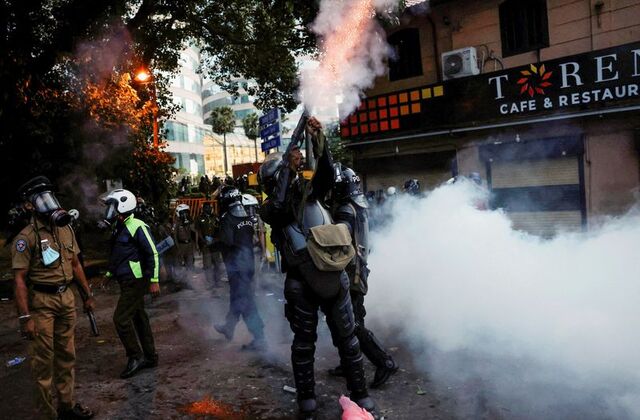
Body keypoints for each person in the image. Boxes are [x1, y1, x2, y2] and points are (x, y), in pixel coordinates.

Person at [259, 117, 377, 419]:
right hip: (303, 281)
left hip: (330, 275)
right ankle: (307, 402)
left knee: (348, 341)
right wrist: (287, 166)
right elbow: (282, 203)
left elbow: (325, 175)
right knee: (304, 346)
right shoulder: (272, 208)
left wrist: (318, 141)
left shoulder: (311, 193)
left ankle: (360, 395)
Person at [11, 176, 95, 420]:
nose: (48, 202)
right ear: (29, 205)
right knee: (43, 363)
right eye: (40, 198)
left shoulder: (65, 228)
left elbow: (76, 263)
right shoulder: (25, 238)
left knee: (67, 356)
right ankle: (48, 415)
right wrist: (25, 316)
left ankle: (67, 407)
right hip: (42, 303)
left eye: (49, 196)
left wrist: (87, 295)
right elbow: (18, 280)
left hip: (66, 297)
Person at [330, 166, 399, 388]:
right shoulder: (357, 205)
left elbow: (339, 242)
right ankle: (347, 363)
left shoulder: (345, 211)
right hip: (358, 268)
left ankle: (384, 362)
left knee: (353, 323)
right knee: (342, 322)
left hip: (351, 272)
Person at [101, 189, 160, 379]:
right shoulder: (119, 226)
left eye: (112, 206)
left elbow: (153, 253)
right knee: (138, 317)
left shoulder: (137, 225)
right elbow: (118, 254)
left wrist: (154, 280)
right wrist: (109, 273)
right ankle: (150, 356)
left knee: (120, 319)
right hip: (125, 280)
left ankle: (135, 357)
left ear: (123, 206)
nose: (110, 210)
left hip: (136, 281)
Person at [214, 186, 266, 350]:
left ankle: (260, 338)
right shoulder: (246, 218)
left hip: (237, 268)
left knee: (244, 301)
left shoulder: (227, 219)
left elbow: (227, 242)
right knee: (237, 297)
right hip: (248, 265)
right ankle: (229, 327)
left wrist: (213, 243)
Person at [195, 202, 222, 288]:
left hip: (216, 244)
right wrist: (200, 242)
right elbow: (197, 231)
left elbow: (220, 229)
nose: (208, 209)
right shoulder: (199, 218)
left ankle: (217, 281)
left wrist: (216, 239)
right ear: (203, 209)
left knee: (217, 264)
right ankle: (210, 283)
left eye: (209, 207)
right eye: (206, 208)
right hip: (205, 245)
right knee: (207, 265)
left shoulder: (216, 217)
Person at [173, 203, 195, 276]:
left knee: (190, 264)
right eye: (182, 213)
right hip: (181, 245)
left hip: (189, 245)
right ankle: (179, 283)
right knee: (178, 264)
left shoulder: (190, 221)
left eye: (186, 212)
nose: (185, 214)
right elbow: (175, 236)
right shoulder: (176, 223)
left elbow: (194, 233)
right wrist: (177, 247)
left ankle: (189, 281)